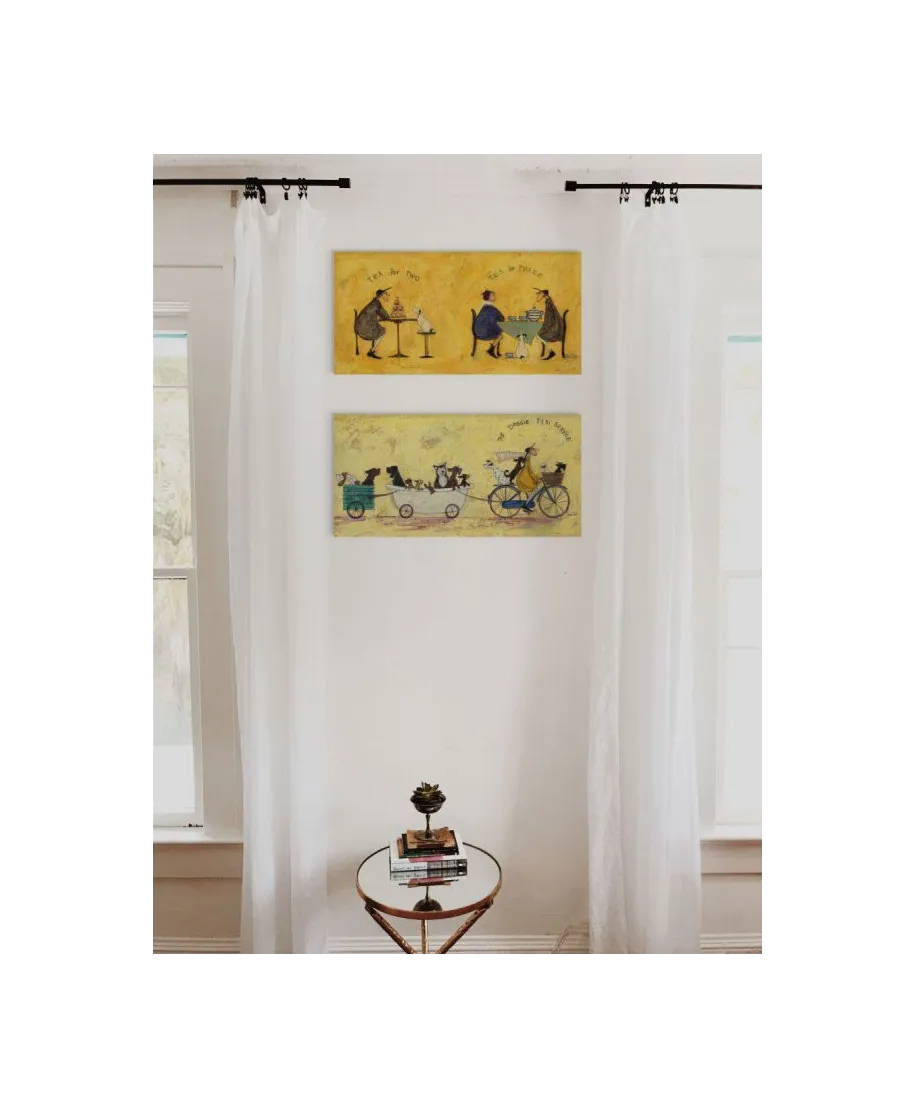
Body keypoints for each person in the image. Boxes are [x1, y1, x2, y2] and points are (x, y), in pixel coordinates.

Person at [355, 288, 393, 359]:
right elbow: (385, 316)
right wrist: (390, 317)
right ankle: (371, 351)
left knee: (380, 329)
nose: (388, 295)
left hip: (360, 325)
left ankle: (372, 351)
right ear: (381, 295)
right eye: (386, 294)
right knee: (382, 331)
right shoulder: (377, 303)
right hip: (364, 327)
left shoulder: (374, 302)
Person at [473, 290, 505, 358]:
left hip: (477, 331)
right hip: (484, 333)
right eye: (493, 295)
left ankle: (491, 350)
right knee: (500, 335)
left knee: (499, 331)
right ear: (489, 297)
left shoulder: (484, 307)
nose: (495, 296)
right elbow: (501, 317)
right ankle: (491, 350)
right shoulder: (491, 308)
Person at [534, 288, 564, 360]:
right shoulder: (548, 300)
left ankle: (550, 351)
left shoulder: (548, 302)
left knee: (538, 334)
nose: (540, 295)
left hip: (554, 327)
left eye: (541, 294)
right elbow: (549, 315)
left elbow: (550, 316)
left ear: (544, 294)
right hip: (553, 324)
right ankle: (550, 351)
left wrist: (546, 325)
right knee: (538, 333)